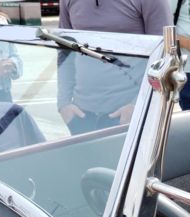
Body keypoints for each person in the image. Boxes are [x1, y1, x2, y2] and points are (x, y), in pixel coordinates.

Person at [58, 0, 172, 134]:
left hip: (130, 115)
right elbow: (65, 51)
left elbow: (164, 56)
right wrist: (63, 103)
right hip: (80, 115)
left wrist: (137, 105)